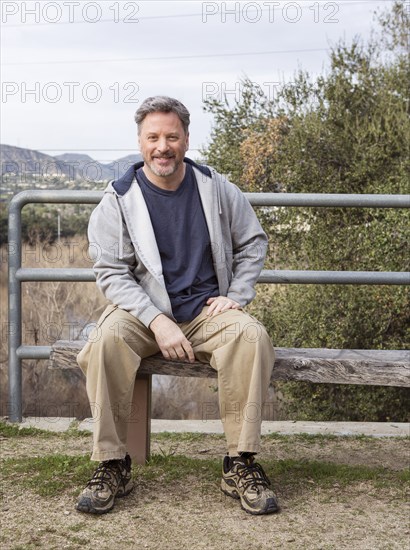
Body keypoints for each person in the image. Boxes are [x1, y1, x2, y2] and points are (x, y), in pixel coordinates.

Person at [76, 96, 278, 516]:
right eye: (153, 137)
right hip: (142, 314)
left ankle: (240, 462)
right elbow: (111, 273)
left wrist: (236, 295)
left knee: (251, 336)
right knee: (104, 343)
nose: (162, 146)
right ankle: (111, 463)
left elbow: (253, 242)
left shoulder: (216, 188)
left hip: (208, 312)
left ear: (186, 139)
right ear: (140, 142)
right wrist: (156, 319)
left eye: (172, 136)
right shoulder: (118, 199)